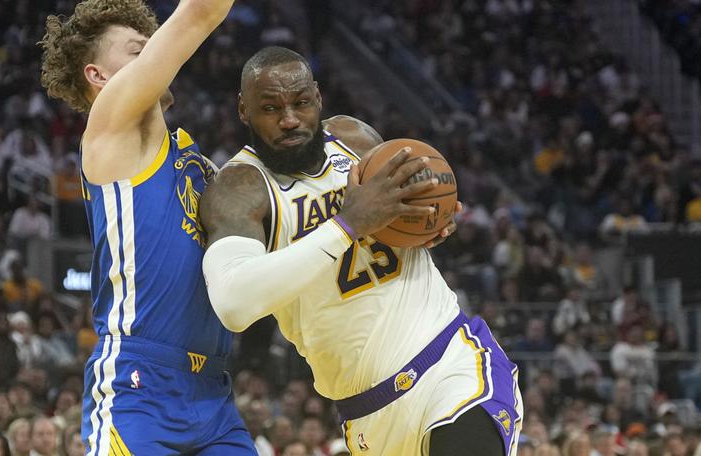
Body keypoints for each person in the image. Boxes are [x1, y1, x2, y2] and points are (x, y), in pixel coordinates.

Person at [201, 46, 523, 455]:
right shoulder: (240, 189)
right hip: (366, 414)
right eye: (270, 108)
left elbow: (405, 214)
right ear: (243, 110)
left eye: (300, 103)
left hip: (451, 365)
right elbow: (233, 305)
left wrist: (429, 222)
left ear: (318, 97)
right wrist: (346, 225)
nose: (289, 119)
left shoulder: (355, 139)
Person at [38, 0, 255, 454]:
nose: (156, 54)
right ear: (98, 76)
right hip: (139, 385)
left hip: (213, 389)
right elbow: (199, 12)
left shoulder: (190, 157)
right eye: (140, 50)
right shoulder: (111, 125)